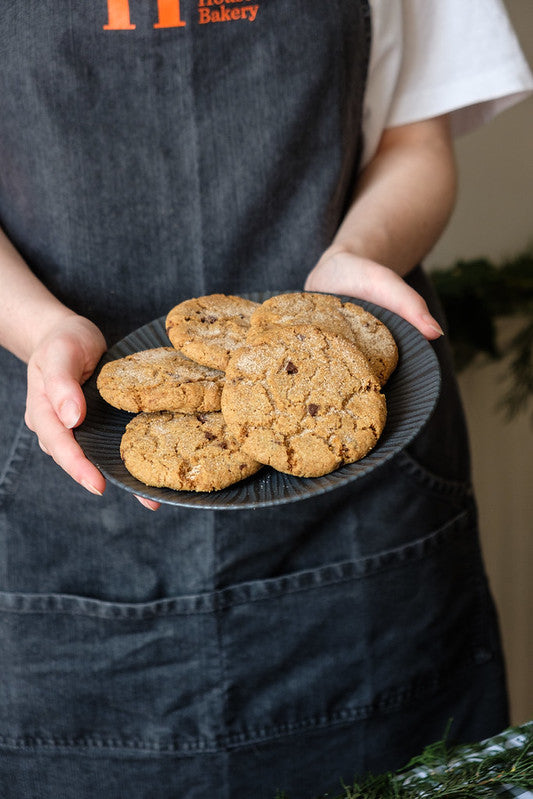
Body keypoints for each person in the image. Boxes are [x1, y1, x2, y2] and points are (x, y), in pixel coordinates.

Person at [0, 1, 531, 797]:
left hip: (361, 532)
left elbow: (413, 137)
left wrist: (357, 256)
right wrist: (40, 328)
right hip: (64, 493)